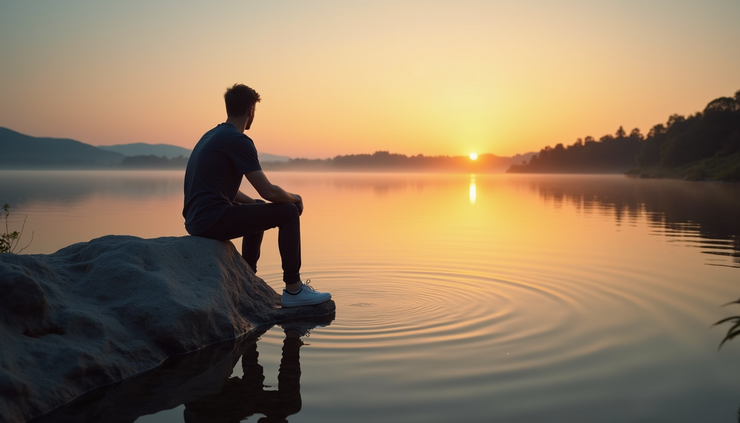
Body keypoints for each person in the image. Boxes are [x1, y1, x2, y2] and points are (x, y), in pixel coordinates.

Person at [183, 83, 331, 307]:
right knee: (289, 213)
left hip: (195, 221)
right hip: (211, 220)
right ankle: (294, 289)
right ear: (251, 110)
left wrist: (252, 203)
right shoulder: (238, 140)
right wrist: (296, 198)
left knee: (256, 205)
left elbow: (219, 189)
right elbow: (268, 190)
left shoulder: (212, 135)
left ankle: (246, 277)